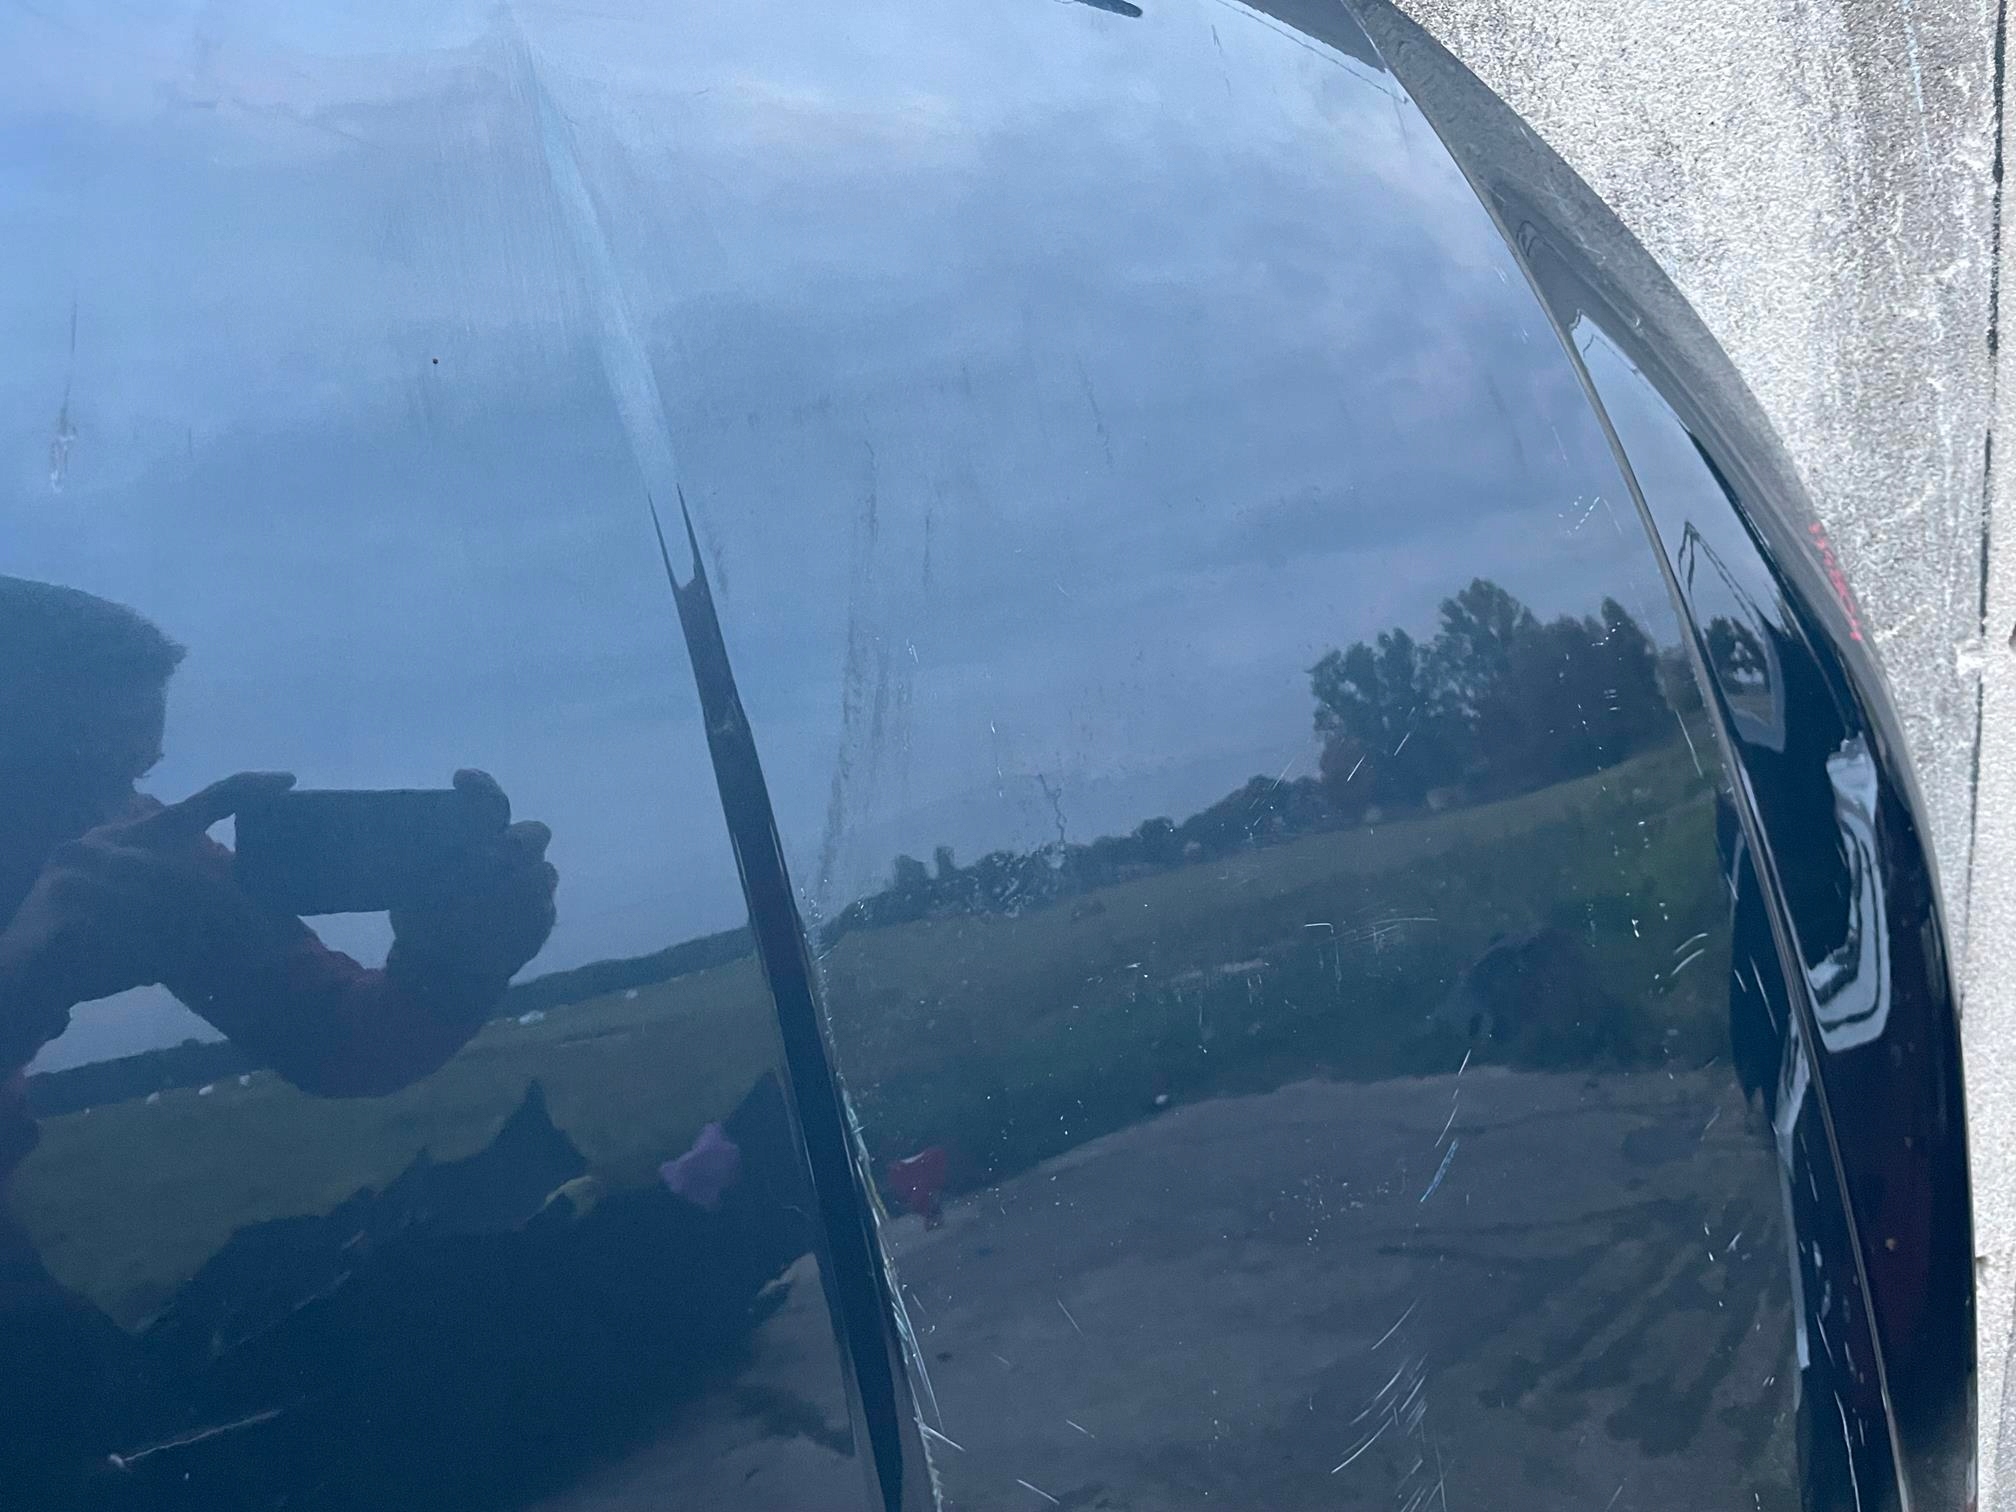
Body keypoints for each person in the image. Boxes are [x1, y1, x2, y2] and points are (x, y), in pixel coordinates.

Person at [0, 575, 559, 1491]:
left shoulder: (129, 850)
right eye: (55, 774)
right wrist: (17, 984)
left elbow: (340, 1040)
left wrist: (454, 966)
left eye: (129, 773)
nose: (104, 812)